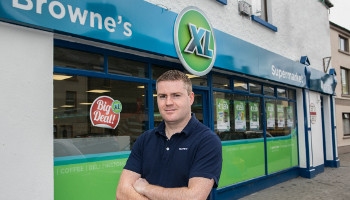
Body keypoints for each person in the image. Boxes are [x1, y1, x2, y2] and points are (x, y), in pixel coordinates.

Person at [116, 70, 222, 200]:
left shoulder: (207, 141)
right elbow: (122, 192)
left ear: (191, 98)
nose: (168, 102)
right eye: (162, 96)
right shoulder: (145, 139)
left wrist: (146, 188)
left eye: (176, 95)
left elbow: (194, 197)